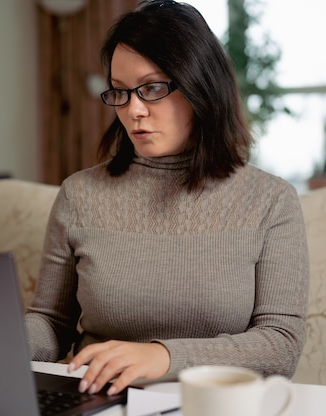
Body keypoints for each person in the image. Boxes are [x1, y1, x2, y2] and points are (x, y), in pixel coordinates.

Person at [25, 0, 310, 397]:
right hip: (98, 399)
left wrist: (164, 356)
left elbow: (281, 344)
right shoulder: (80, 193)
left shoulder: (271, 200)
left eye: (153, 88)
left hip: (214, 403)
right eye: (120, 92)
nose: (134, 111)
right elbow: (51, 322)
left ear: (200, 86)